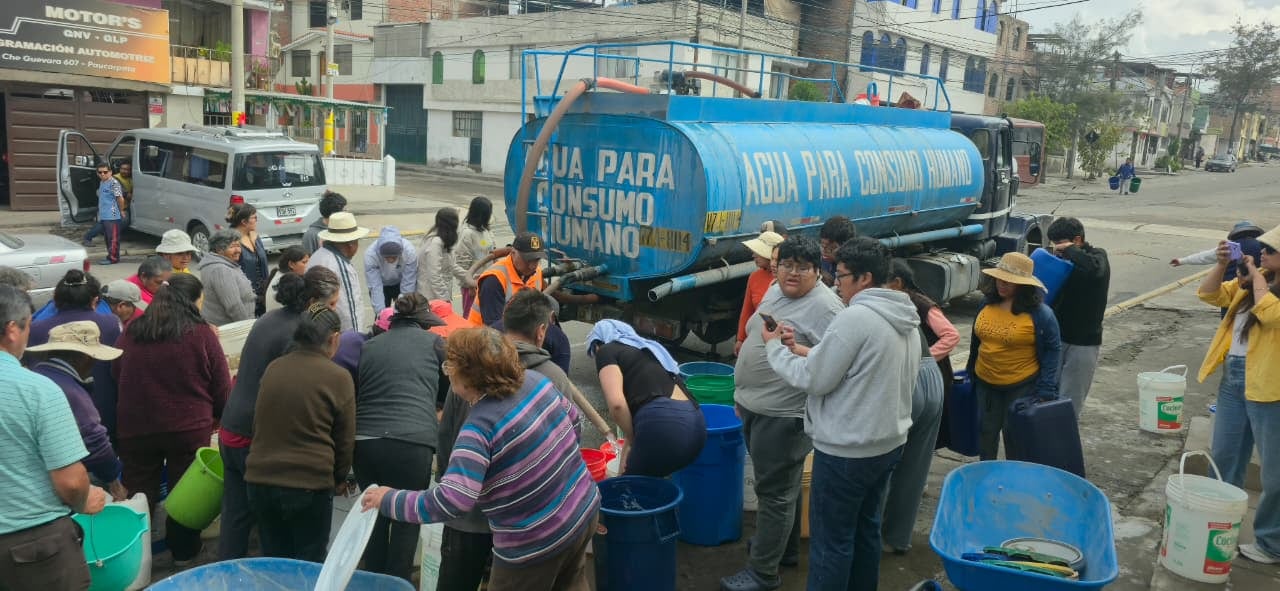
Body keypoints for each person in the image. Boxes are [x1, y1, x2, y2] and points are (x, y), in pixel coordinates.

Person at [362, 328, 600, 591]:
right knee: (573, 583)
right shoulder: (538, 382)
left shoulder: (479, 429)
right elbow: (573, 423)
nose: (447, 372)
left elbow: (452, 501)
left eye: (449, 366)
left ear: (468, 378)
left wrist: (388, 499)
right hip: (583, 511)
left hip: (534, 543)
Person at [762, 237, 920, 591]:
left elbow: (814, 379)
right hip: (887, 444)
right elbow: (854, 368)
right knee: (865, 532)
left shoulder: (856, 318)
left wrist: (774, 348)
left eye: (842, 275)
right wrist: (800, 349)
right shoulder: (903, 316)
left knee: (831, 543)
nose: (836, 283)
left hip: (848, 452)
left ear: (864, 279)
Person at [721, 236, 843, 591]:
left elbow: (834, 365)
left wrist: (797, 349)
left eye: (802, 267)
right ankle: (780, 550)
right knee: (781, 490)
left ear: (817, 271)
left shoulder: (827, 308)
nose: (792, 273)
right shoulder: (776, 289)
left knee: (774, 493)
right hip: (756, 407)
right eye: (787, 264)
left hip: (785, 415)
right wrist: (743, 394)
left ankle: (763, 573)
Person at [217, 267, 341, 560]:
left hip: (231, 427)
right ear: (313, 301)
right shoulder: (299, 334)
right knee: (275, 531)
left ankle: (227, 574)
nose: (335, 311)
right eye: (332, 305)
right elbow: (295, 397)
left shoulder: (271, 318)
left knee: (235, 516)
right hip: (253, 438)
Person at [113, 273, 230, 562]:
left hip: (136, 425)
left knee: (138, 493)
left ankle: (134, 559)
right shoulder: (200, 333)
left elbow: (117, 372)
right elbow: (221, 384)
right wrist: (218, 415)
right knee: (184, 495)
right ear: (192, 301)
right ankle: (183, 554)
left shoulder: (132, 330)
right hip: (187, 427)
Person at [0, 284, 107, 591]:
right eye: (27, 327)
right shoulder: (37, 389)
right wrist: (85, 499)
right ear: (12, 330)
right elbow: (71, 481)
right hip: (31, 547)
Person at [1196, 226, 1280, 564]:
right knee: (1226, 456)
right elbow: (1209, 294)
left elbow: (1272, 315)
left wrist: (1255, 280)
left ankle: (1271, 543)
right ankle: (1221, 524)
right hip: (1234, 379)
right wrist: (1221, 265)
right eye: (1263, 247)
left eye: (1270, 249)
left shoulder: (1261, 285)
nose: (1262, 252)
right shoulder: (1256, 278)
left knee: (1274, 472)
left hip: (1270, 386)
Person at [245, 304, 356, 562]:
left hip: (260, 481)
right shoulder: (337, 377)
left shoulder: (274, 368)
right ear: (334, 338)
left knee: (275, 560)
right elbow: (345, 440)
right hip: (308, 485)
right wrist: (339, 478)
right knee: (309, 561)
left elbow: (258, 424)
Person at [355, 293, 448, 580]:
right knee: (407, 517)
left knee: (374, 516)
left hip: (364, 443)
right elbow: (446, 393)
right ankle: (397, 582)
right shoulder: (434, 343)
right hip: (412, 443)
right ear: (422, 322)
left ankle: (372, 582)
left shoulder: (369, 346)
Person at [965, 252, 1062, 461]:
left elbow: (1053, 351)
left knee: (1014, 435)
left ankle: (1013, 478)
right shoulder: (985, 304)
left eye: (1010, 281)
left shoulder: (1041, 315)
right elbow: (976, 341)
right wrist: (970, 370)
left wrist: (1047, 389)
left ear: (1024, 286)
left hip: (1021, 385)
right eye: (1000, 278)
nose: (1003, 284)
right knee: (986, 432)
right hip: (986, 382)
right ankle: (987, 473)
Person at [879, 262, 946, 556]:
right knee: (914, 468)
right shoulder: (905, 303)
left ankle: (871, 537)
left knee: (879, 464)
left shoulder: (872, 303)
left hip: (908, 379)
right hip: (932, 376)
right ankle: (897, 538)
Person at [588, 319, 705, 477]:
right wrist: (625, 460)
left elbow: (617, 405)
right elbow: (638, 418)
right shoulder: (647, 349)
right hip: (697, 429)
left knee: (634, 493)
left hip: (664, 427)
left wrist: (633, 439)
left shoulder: (606, 351)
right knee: (651, 485)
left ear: (597, 344)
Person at [27, 321, 127, 499]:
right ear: (84, 358)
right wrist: (114, 479)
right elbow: (95, 442)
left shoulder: (35, 378)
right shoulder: (71, 391)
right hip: (62, 479)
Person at [28, 270, 121, 441]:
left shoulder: (36, 328)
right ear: (95, 301)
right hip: (101, 411)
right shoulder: (110, 324)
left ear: (56, 300)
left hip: (52, 416)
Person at [468, 231, 572, 372]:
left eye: (536, 260)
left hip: (519, 338)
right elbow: (495, 327)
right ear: (513, 253)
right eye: (527, 260)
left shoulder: (536, 273)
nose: (532, 266)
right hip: (484, 343)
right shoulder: (494, 279)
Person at [886, 262, 959, 449]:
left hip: (927, 375)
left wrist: (924, 359)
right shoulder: (893, 303)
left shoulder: (922, 305)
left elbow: (951, 335)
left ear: (897, 283)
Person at [1047, 217, 1111, 417]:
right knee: (1047, 395)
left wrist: (1071, 251)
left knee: (1070, 401)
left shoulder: (1097, 256)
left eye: (1060, 243)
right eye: (1054, 244)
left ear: (1077, 240)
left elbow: (1095, 270)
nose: (1057, 248)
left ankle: (1062, 443)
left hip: (1084, 343)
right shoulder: (1059, 260)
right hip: (1056, 338)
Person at [308, 211, 371, 332]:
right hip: (338, 334)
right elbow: (350, 311)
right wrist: (355, 339)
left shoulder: (317, 255)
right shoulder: (340, 266)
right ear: (351, 245)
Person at [735, 231, 784, 357]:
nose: (753, 255)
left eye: (758, 252)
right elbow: (747, 310)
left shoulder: (786, 280)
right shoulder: (754, 277)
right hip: (756, 337)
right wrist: (740, 339)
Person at [197, 229, 257, 326]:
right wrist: (247, 326)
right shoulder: (221, 270)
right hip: (231, 328)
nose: (238, 250)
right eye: (232, 247)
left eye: (238, 246)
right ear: (219, 249)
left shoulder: (222, 264)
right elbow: (233, 306)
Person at [419, 208, 476, 304]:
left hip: (439, 296)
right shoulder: (435, 244)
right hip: (431, 298)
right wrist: (444, 298)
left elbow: (452, 266)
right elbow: (434, 276)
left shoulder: (444, 240)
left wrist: (470, 277)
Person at [457, 196, 497, 317]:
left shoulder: (486, 230)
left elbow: (493, 252)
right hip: (473, 286)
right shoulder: (467, 234)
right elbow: (461, 263)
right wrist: (470, 285)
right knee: (472, 317)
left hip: (488, 282)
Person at [228, 204, 270, 316]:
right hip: (245, 296)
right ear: (244, 222)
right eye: (254, 217)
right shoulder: (231, 242)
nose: (257, 220)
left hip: (263, 293)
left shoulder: (255, 237)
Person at [1171, 220, 1264, 271]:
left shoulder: (1230, 247)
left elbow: (1204, 257)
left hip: (1229, 287)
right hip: (1255, 285)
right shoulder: (1262, 246)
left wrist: (1182, 261)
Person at [366, 227, 419, 314]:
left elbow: (408, 283)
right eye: (386, 257)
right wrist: (381, 314)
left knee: (405, 312)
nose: (390, 260)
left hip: (400, 282)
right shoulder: (370, 255)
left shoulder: (409, 252)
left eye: (394, 257)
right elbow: (375, 287)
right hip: (382, 285)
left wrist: (403, 308)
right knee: (382, 315)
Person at [84, 163, 124, 265]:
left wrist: (122, 210)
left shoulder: (114, 183)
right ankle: (110, 256)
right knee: (107, 238)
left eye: (105, 172)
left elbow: (120, 198)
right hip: (104, 215)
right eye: (100, 172)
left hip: (113, 215)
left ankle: (113, 258)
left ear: (110, 172)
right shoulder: (102, 182)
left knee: (113, 239)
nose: (102, 174)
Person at [303, 190, 348, 254]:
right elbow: (308, 259)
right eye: (344, 210)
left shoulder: (343, 227)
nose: (347, 213)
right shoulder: (312, 235)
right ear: (333, 214)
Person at [818, 216, 857, 286]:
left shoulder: (852, 269)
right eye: (822, 245)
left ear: (846, 246)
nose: (824, 251)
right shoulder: (820, 260)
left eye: (831, 248)